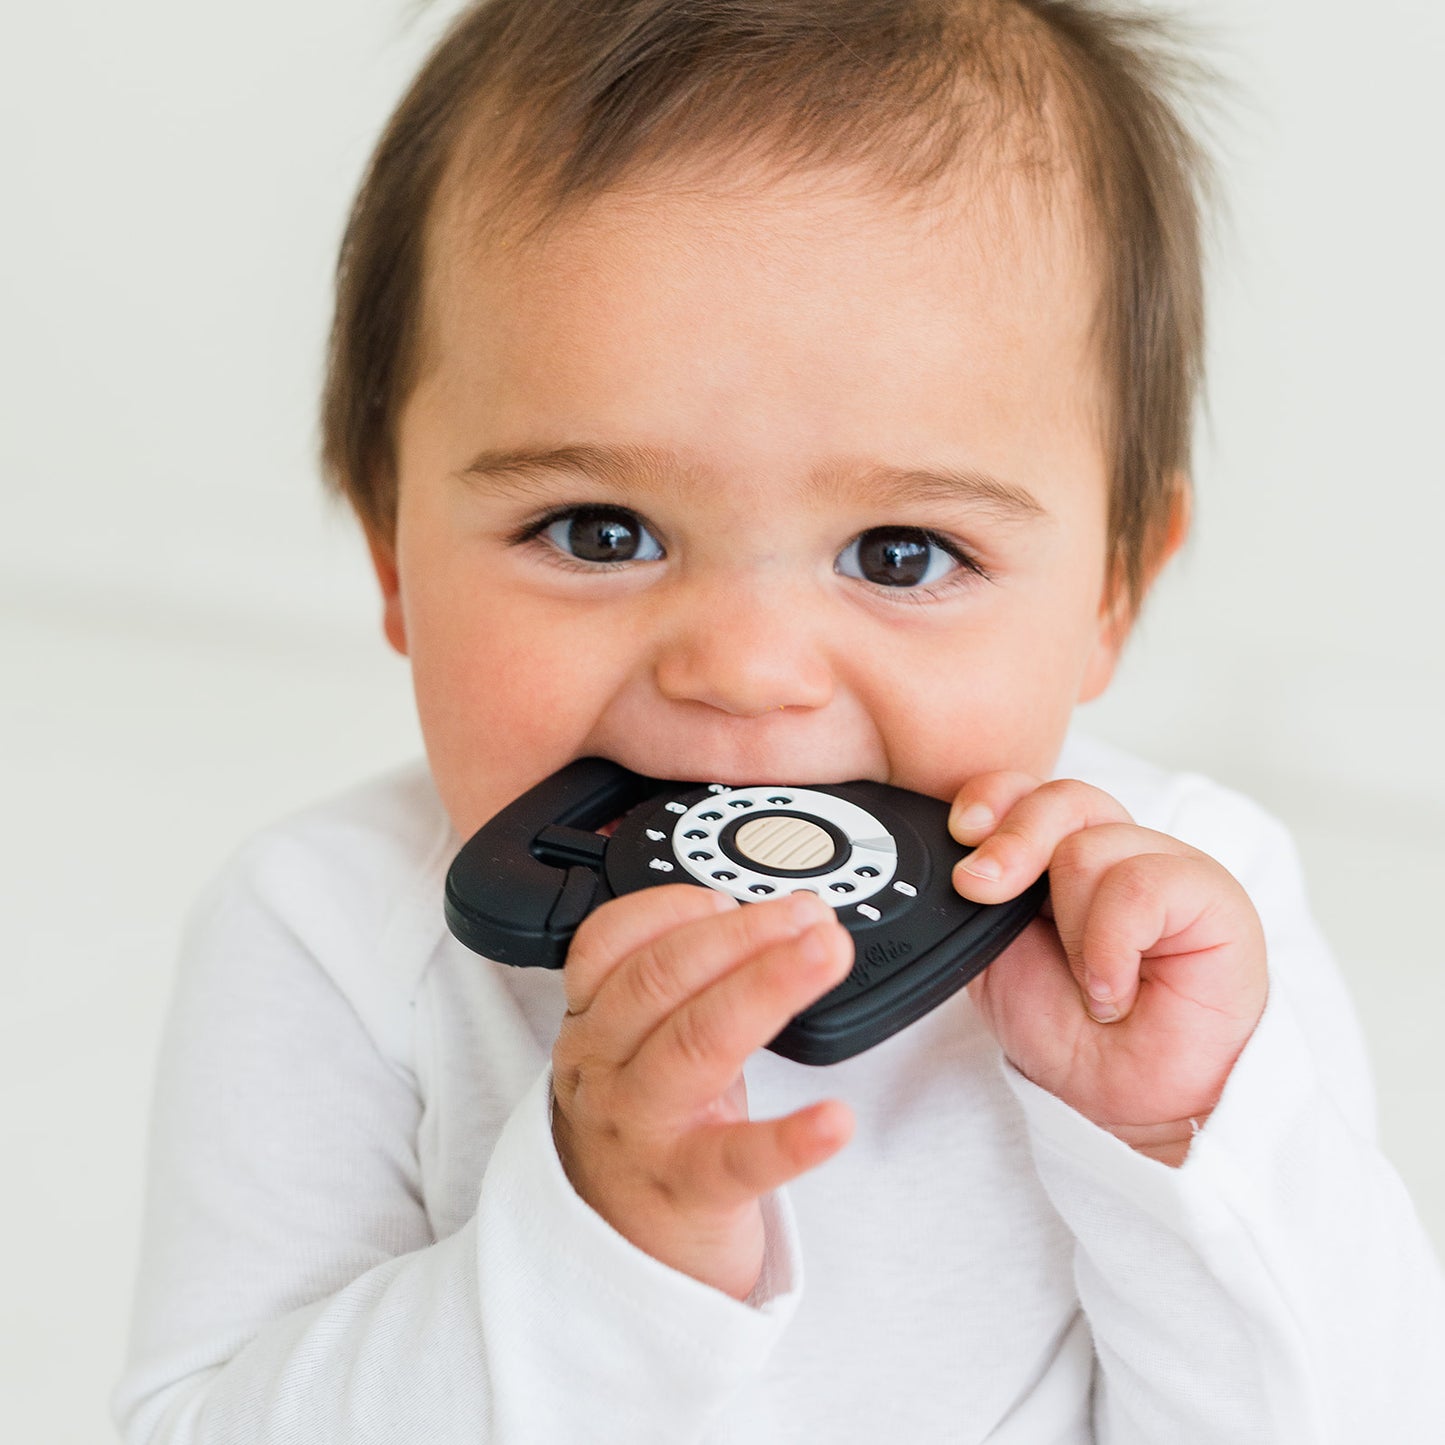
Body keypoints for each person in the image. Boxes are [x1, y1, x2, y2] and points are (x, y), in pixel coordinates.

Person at [112, 1, 1445, 1440]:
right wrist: (598, 1248)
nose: (746, 671)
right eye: (599, 529)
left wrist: (1180, 1141)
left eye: (899, 553)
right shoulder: (330, 935)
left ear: (1111, 589)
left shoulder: (1175, 930)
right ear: (391, 550)